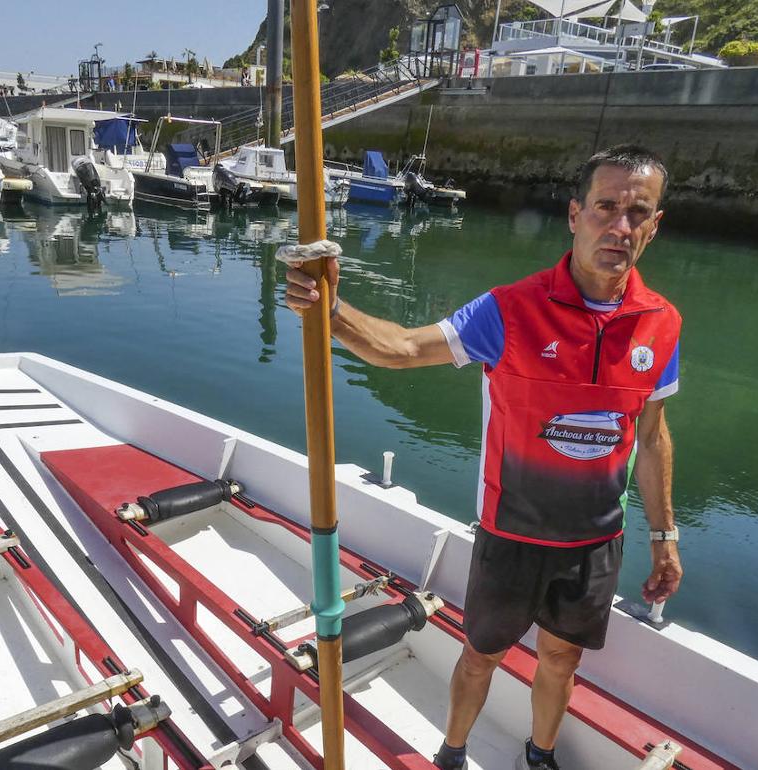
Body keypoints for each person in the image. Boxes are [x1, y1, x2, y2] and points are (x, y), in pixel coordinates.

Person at [284, 145, 684, 770]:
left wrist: (664, 535)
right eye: (606, 207)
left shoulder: (663, 324)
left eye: (639, 212)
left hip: (594, 543)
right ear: (575, 216)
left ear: (655, 225)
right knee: (481, 655)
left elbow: (653, 434)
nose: (621, 226)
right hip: (511, 536)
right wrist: (331, 311)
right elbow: (402, 349)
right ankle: (452, 752)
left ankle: (540, 754)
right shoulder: (510, 310)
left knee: (562, 658)